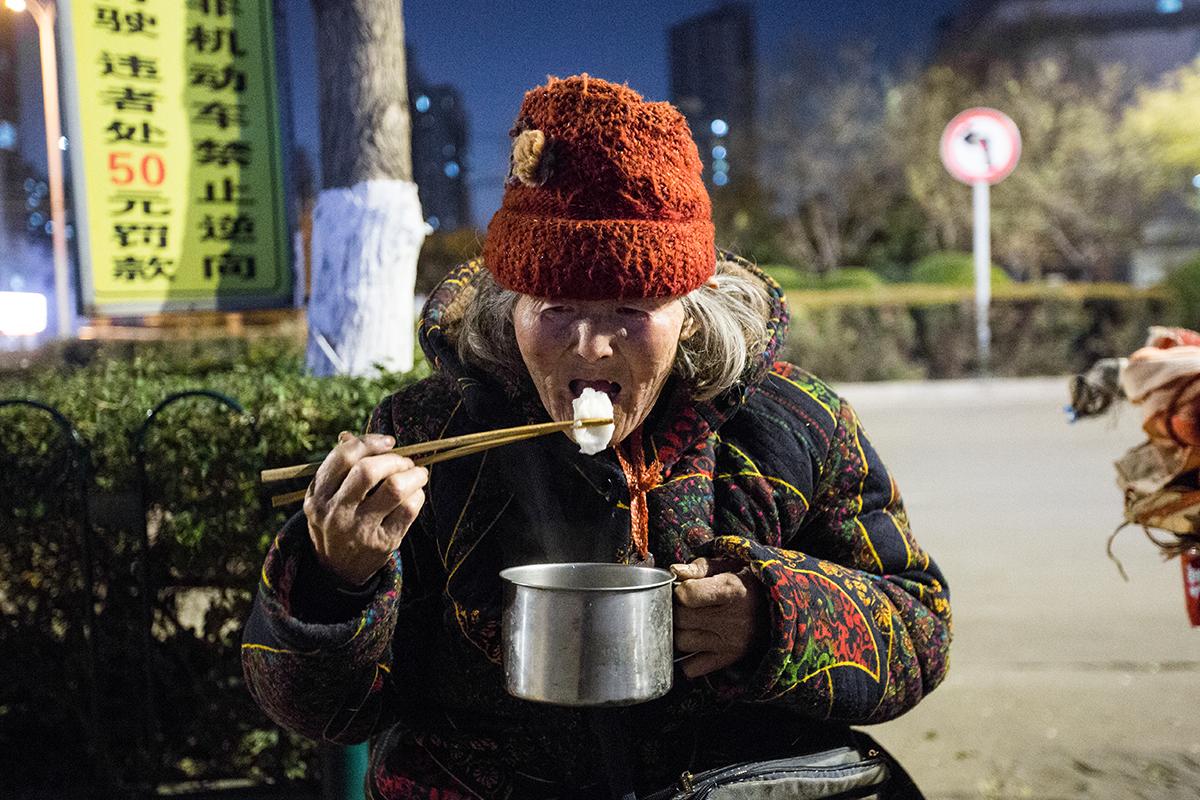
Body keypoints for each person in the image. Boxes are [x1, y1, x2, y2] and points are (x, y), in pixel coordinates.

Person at [243, 75, 951, 799]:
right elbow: (320, 710)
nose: (591, 348)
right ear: (508, 307)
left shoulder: (796, 423)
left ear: (691, 311)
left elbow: (922, 633)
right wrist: (335, 578)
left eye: (629, 307)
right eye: (554, 308)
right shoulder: (426, 433)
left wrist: (770, 618)